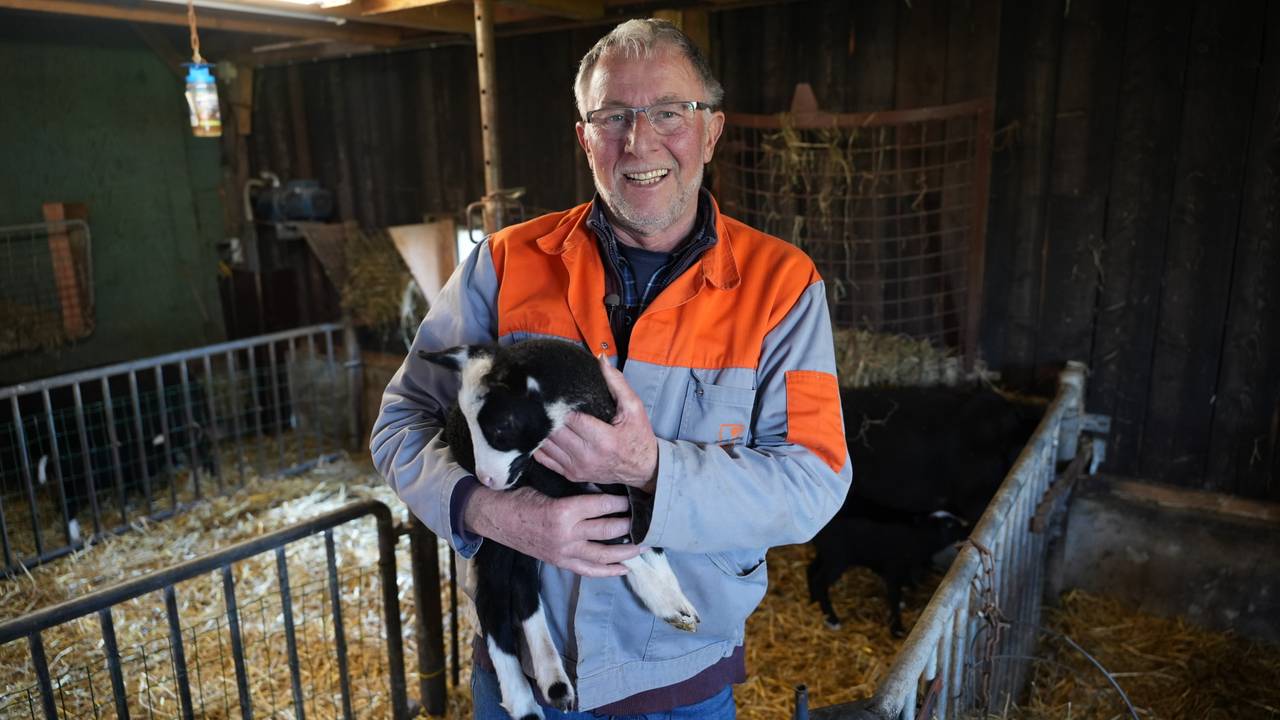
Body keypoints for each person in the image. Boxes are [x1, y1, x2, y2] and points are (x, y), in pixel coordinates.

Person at [371, 18, 852, 719]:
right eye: (613, 116)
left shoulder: (781, 286)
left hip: (679, 683)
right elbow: (399, 423)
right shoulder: (505, 262)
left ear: (712, 130)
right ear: (584, 138)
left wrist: (652, 466)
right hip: (518, 673)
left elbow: (814, 480)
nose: (640, 140)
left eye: (669, 113)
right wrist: (489, 510)